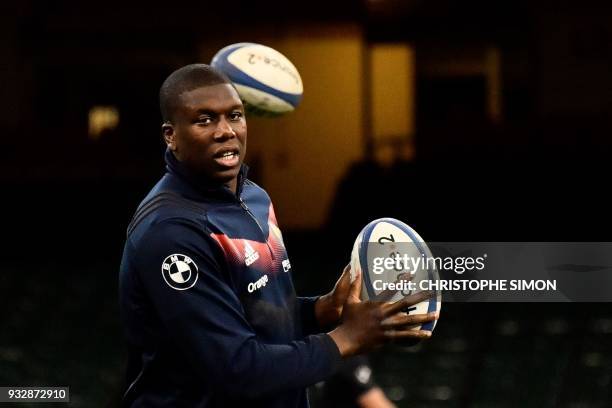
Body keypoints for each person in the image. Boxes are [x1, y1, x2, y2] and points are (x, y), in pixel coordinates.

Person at [118, 64, 438, 407]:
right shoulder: (171, 232)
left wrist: (323, 310)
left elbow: (255, 320)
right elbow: (238, 368)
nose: (225, 131)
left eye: (235, 116)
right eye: (204, 120)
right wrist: (347, 338)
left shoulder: (255, 199)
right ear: (171, 135)